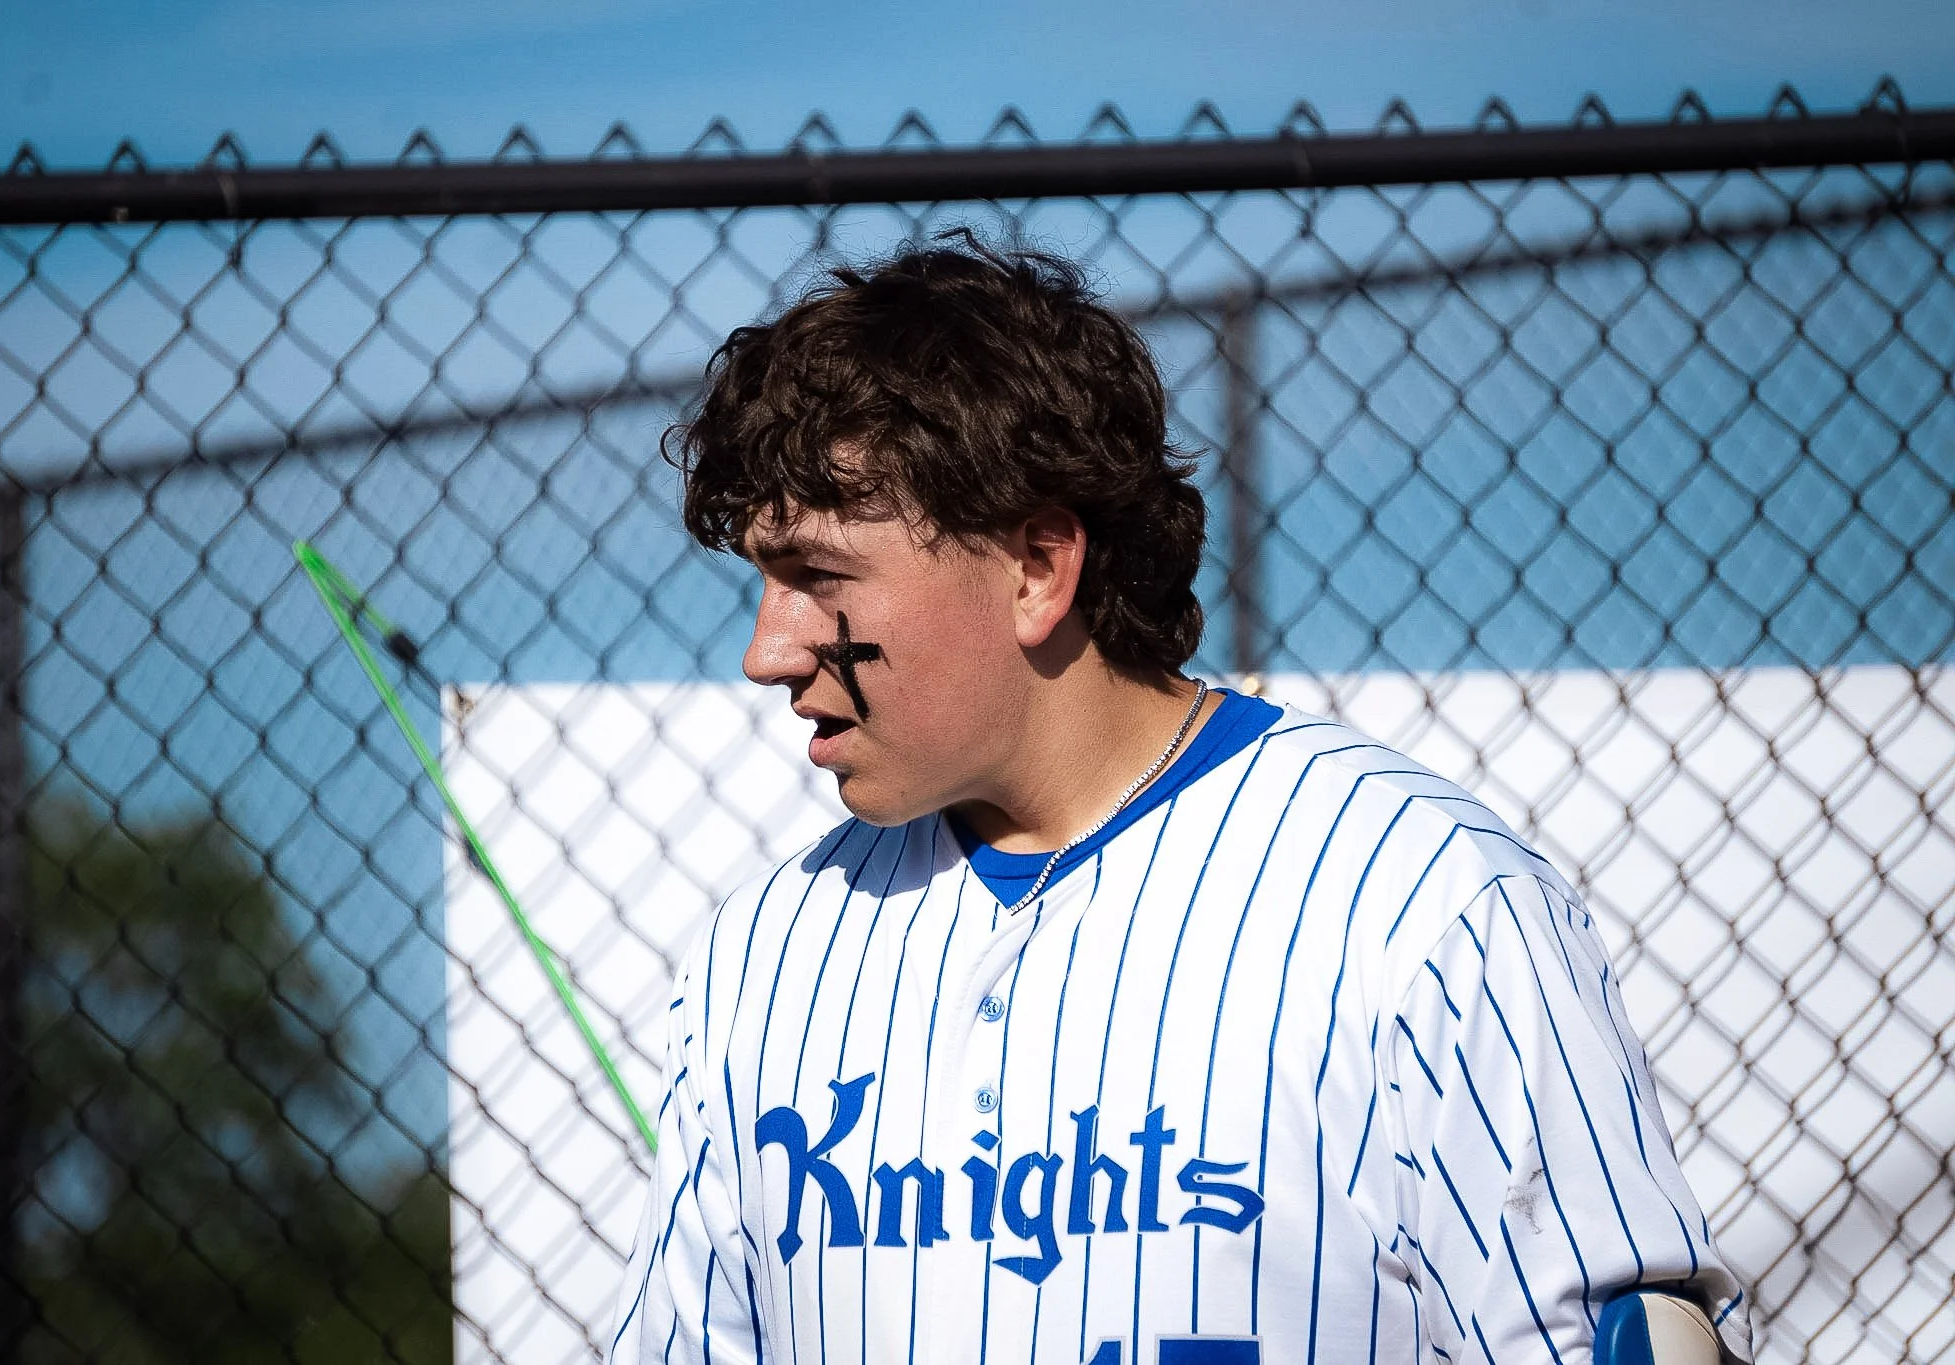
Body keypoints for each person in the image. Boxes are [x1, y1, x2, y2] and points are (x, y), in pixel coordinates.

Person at [607, 233, 1751, 1364]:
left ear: (1034, 567)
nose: (767, 651)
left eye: (817, 577)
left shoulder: (1420, 902)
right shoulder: (761, 959)